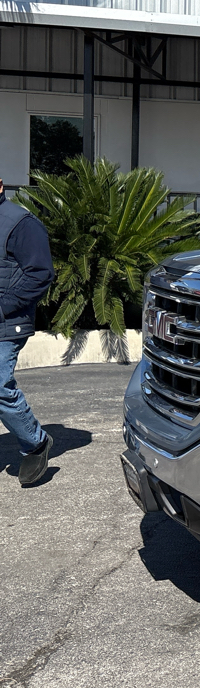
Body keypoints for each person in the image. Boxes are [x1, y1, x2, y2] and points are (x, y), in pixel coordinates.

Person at [0, 176, 55, 486]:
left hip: (6, 322)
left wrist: (3, 307)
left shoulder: (21, 223)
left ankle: (35, 443)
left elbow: (40, 274)